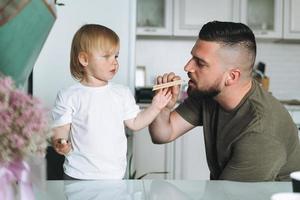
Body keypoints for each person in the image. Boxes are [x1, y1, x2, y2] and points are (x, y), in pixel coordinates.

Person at [149, 21, 300, 181]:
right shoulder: (210, 94)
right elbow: (163, 134)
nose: (187, 67)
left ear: (231, 76)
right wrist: (163, 107)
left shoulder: (260, 132)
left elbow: (229, 195)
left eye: (200, 63)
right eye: (192, 57)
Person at [51, 24, 171, 180]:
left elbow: (135, 123)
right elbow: (61, 127)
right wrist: (60, 141)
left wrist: (156, 107)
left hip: (114, 175)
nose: (114, 62)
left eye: (116, 56)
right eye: (107, 56)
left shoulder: (122, 93)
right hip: (78, 174)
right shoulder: (69, 95)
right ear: (84, 59)